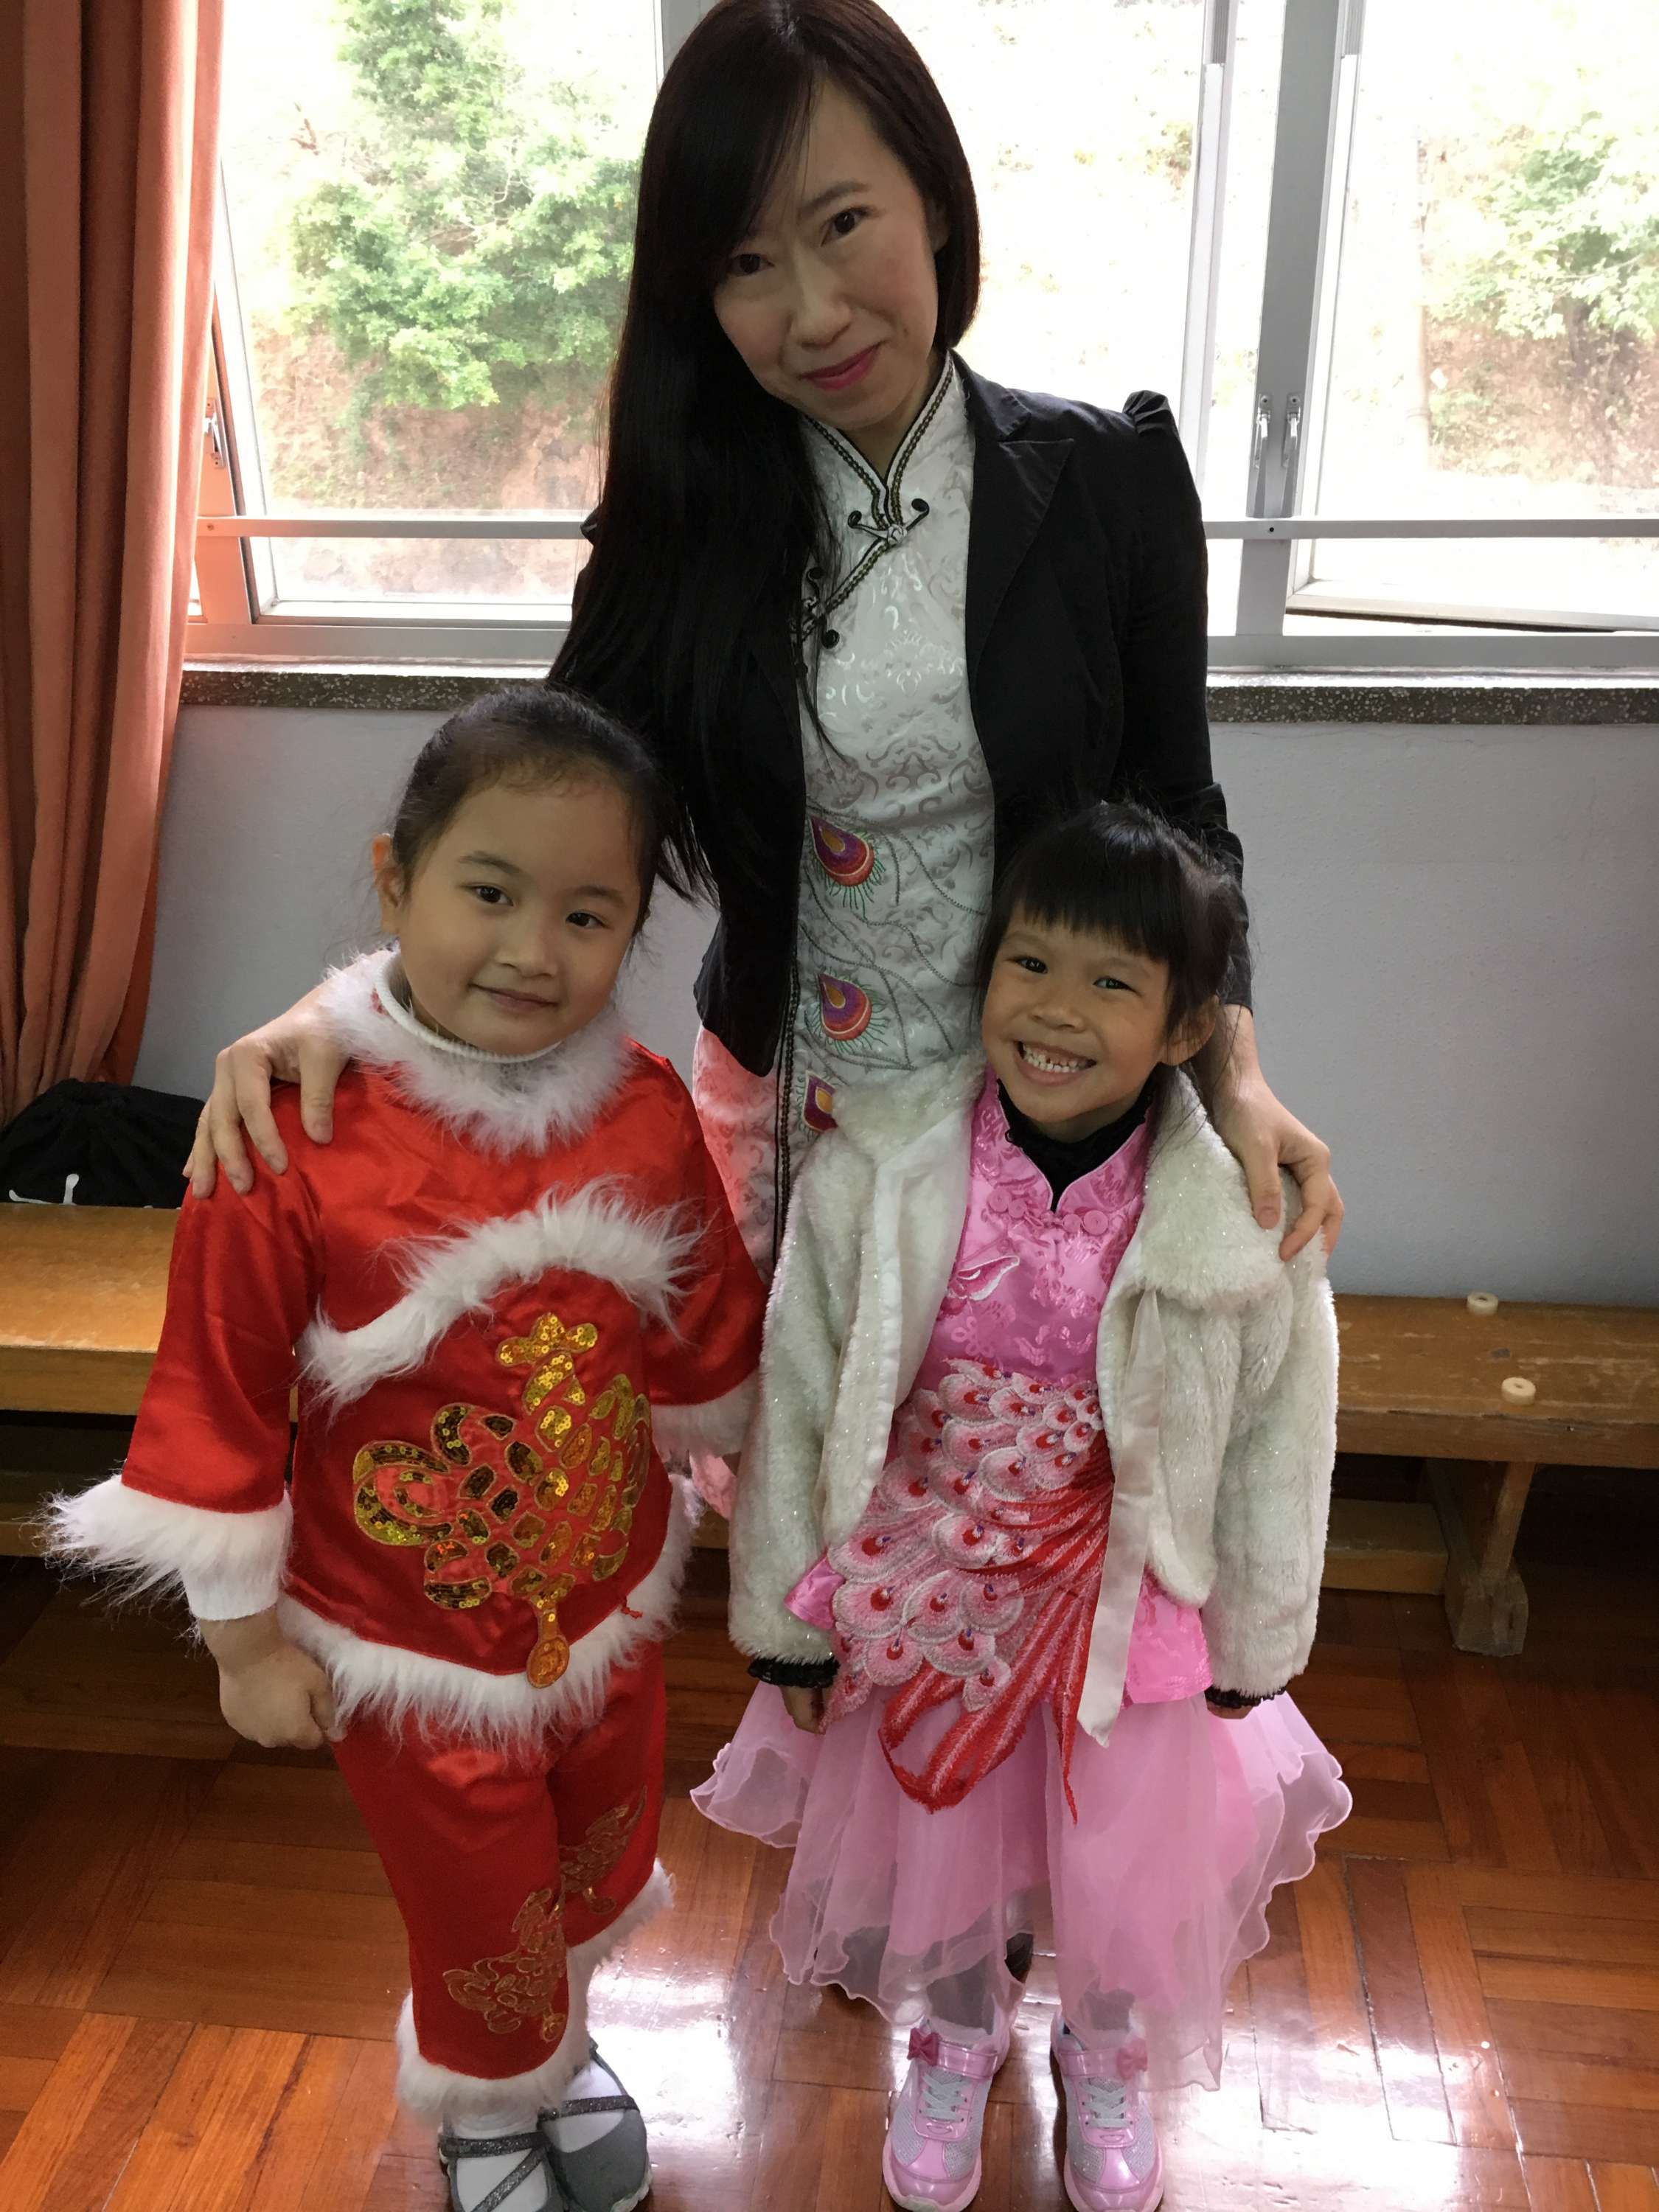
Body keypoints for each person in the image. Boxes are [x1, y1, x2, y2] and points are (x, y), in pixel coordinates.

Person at [186, 0, 1343, 1304]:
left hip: (1050, 1114)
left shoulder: (1109, 481)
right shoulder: (683, 521)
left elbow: (1180, 819)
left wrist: (1234, 1075)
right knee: (766, 1420)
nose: (813, 314)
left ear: (934, 198)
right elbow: (538, 800)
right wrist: (345, 1011)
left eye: (842, 224)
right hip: (782, 1118)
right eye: (746, 263)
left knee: (1001, 1438)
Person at [51, 685, 767, 2212]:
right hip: (407, 1637)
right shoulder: (291, 1132)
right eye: (488, 893)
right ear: (396, 880)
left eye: (587, 915)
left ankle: (559, 2047)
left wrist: (757, 1497)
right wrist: (243, 1643)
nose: (532, 950)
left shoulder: (646, 1109)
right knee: (473, 1890)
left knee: (596, 1848)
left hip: (612, 1603)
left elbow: (705, 1324)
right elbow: (216, 1389)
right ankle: (487, 2111)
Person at [695, 803, 1351, 2212]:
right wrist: (783, 1617)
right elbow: (801, 1385)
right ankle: (954, 2032)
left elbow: (1278, 1439)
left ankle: (1102, 2050)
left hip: (1129, 1609)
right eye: (1029, 964)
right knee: (947, 1843)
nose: (1056, 1011)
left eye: (1111, 982)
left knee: (1118, 1855)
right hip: (929, 1590)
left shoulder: (1237, 1211)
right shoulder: (879, 1166)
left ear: (1186, 1028)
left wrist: (1259, 1637)